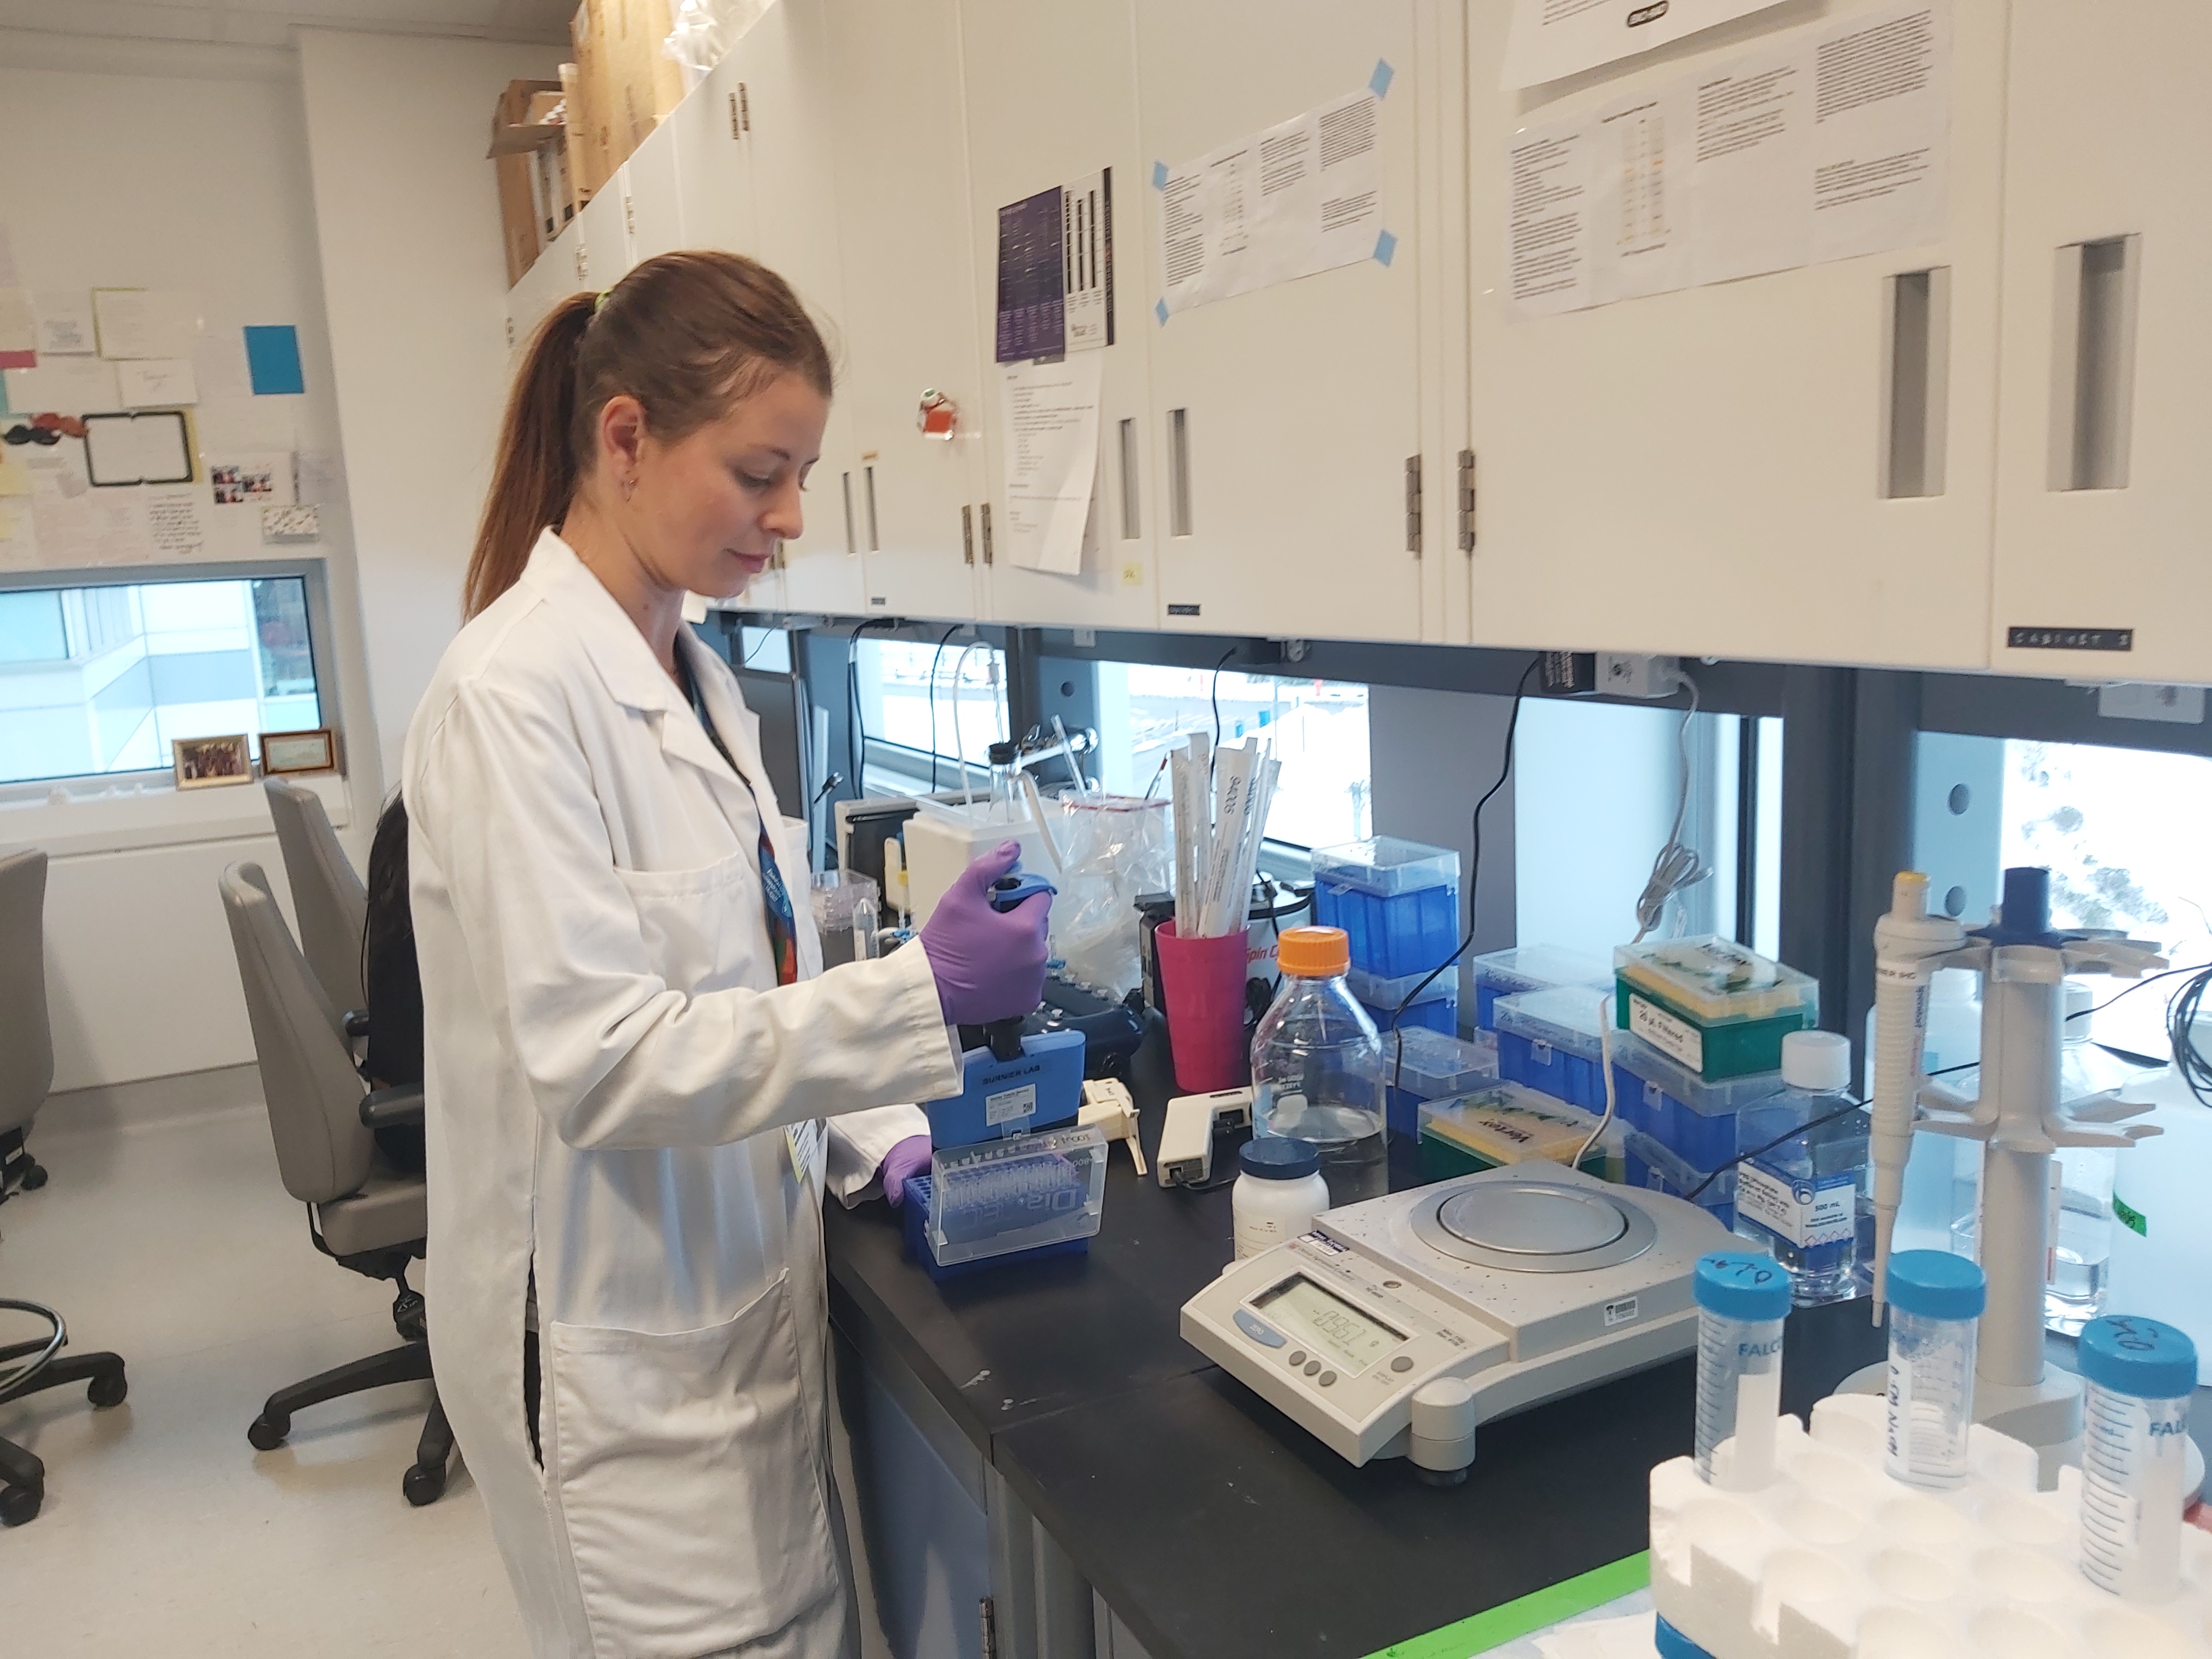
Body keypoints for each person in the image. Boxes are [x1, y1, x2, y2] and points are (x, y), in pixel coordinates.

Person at [403, 250, 1049, 1658]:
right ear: (625, 437)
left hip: (730, 1306)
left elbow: (749, 984)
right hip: (610, 1350)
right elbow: (603, 1060)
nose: (792, 517)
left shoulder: (692, 675)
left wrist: (879, 1133)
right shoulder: (510, 699)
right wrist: (918, 995)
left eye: (804, 474)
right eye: (761, 473)